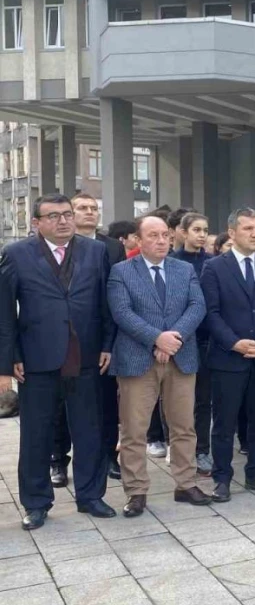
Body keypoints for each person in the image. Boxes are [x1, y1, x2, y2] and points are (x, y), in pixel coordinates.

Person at [0, 194, 116, 530]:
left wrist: (108, 344)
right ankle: (36, 503)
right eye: (53, 216)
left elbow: (105, 304)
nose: (63, 221)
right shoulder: (16, 255)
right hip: (37, 360)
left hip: (87, 356)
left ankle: (91, 495)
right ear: (36, 222)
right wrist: (9, 361)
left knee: (89, 430)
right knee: (36, 434)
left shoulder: (95, 251)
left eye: (67, 214)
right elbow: (5, 314)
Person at [108, 216, 212, 518]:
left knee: (183, 426)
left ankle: (186, 483)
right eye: (153, 236)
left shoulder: (185, 269)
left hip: (181, 357)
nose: (161, 241)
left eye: (165, 235)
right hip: (138, 359)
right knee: (134, 429)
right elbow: (122, 313)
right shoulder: (121, 272)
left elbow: (197, 306)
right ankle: (136, 491)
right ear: (139, 240)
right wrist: (157, 339)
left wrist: (173, 339)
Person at [201, 207, 255, 502]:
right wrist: (234, 342)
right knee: (224, 421)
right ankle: (222, 477)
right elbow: (210, 313)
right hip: (229, 358)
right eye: (248, 228)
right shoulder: (214, 268)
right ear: (232, 233)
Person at [65, 193, 125, 483]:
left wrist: (111, 341)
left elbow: (117, 293)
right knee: (59, 404)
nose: (89, 212)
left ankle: (108, 456)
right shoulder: (58, 246)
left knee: (106, 402)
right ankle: (58, 458)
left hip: (102, 338)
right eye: (82, 208)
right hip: (63, 338)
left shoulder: (112, 247)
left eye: (94, 208)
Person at [170, 213, 214, 476]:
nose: (201, 235)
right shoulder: (172, 262)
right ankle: (178, 447)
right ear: (182, 232)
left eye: (205, 230)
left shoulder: (213, 262)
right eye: (196, 229)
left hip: (208, 338)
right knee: (178, 400)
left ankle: (202, 451)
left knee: (203, 400)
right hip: (179, 339)